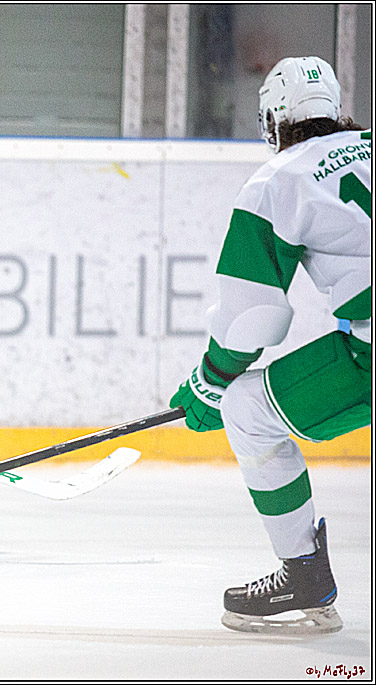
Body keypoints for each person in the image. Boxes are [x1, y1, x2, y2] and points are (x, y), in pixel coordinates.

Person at [168, 56, 370, 635]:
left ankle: (304, 575)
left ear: (274, 119)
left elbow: (252, 316)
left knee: (247, 409)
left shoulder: (279, 179)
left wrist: (211, 381)